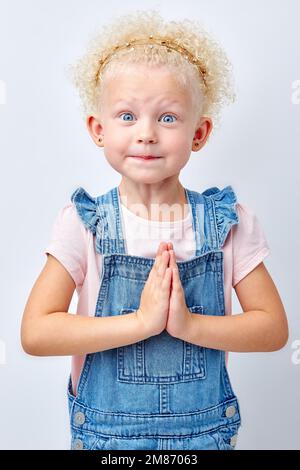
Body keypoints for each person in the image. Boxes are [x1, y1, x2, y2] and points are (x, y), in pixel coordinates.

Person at [21, 10, 289, 450]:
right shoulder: (85, 223)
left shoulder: (225, 223)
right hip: (107, 440)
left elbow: (273, 328)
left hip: (203, 438)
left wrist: (189, 325)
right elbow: (35, 333)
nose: (146, 134)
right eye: (127, 116)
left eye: (167, 118)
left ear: (198, 133)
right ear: (98, 129)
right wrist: (141, 323)